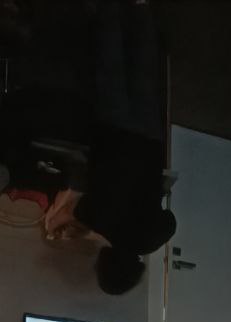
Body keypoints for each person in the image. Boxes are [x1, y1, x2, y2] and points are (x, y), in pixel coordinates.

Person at [41, 0, 175, 294]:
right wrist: (63, 224)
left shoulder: (150, 239)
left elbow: (170, 221)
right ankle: (110, 9)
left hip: (149, 144)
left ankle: (142, 9)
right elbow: (72, 202)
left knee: (144, 76)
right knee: (111, 67)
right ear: (104, 264)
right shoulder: (94, 216)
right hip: (112, 132)